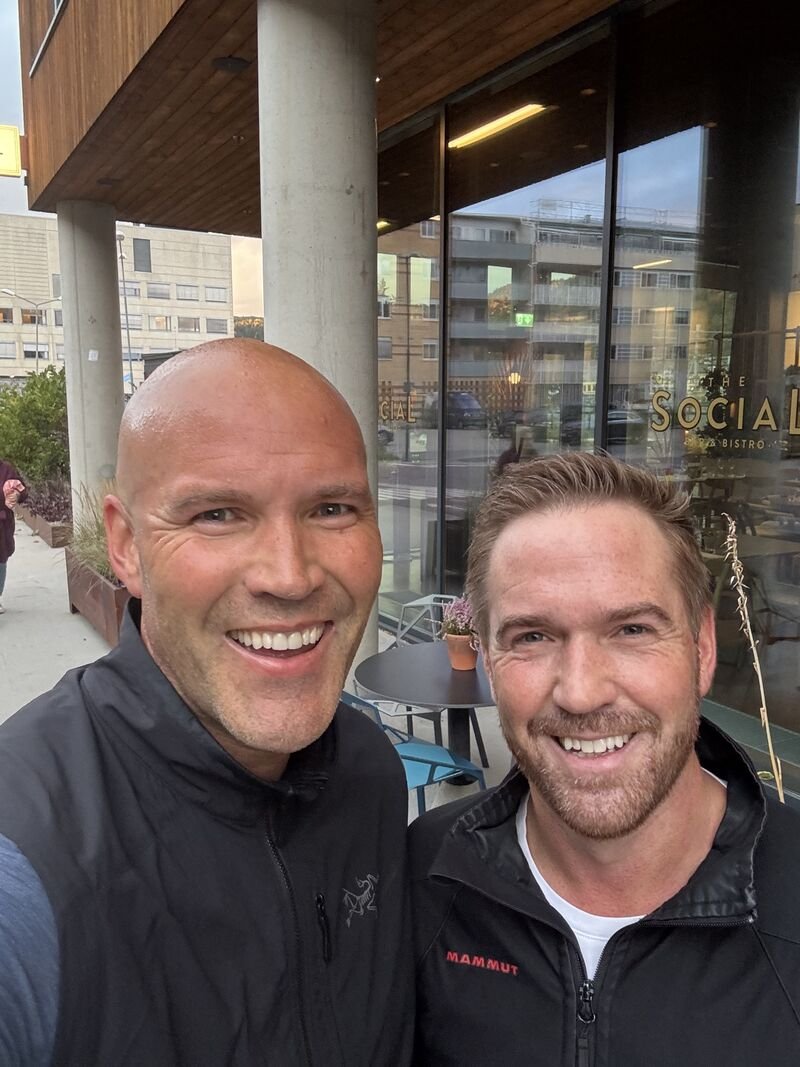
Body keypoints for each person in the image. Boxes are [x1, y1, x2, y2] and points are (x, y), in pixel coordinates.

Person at [0, 339, 414, 1066]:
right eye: (218, 514)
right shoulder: (25, 855)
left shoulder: (369, 771)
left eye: (332, 508)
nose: (289, 575)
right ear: (126, 546)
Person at [410, 452, 800, 1065]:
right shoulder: (420, 878)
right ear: (487, 663)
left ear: (701, 648)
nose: (582, 692)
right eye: (532, 637)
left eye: (632, 630)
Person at [0, 459, 26, 614]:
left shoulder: (6, 469)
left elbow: (22, 489)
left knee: (0, 561)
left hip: (2, 525)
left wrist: (17, 494)